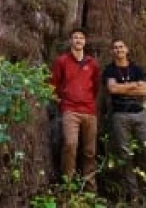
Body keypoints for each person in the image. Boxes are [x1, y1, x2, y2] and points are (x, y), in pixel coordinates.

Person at [103, 38, 146, 202]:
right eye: (115, 48)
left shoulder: (136, 69)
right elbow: (112, 88)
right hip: (119, 116)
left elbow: (143, 90)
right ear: (112, 51)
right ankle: (134, 195)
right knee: (125, 155)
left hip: (139, 114)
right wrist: (132, 86)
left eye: (121, 47)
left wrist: (123, 88)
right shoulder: (110, 70)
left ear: (127, 49)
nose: (118, 50)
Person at [50, 27, 101, 190]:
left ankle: (89, 186)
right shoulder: (62, 61)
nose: (78, 40)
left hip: (89, 111)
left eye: (81, 37)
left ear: (85, 42)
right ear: (71, 41)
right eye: (75, 37)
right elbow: (54, 84)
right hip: (70, 110)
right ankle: (68, 184)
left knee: (89, 151)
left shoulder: (92, 63)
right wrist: (63, 100)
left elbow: (96, 87)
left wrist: (88, 101)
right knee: (70, 145)